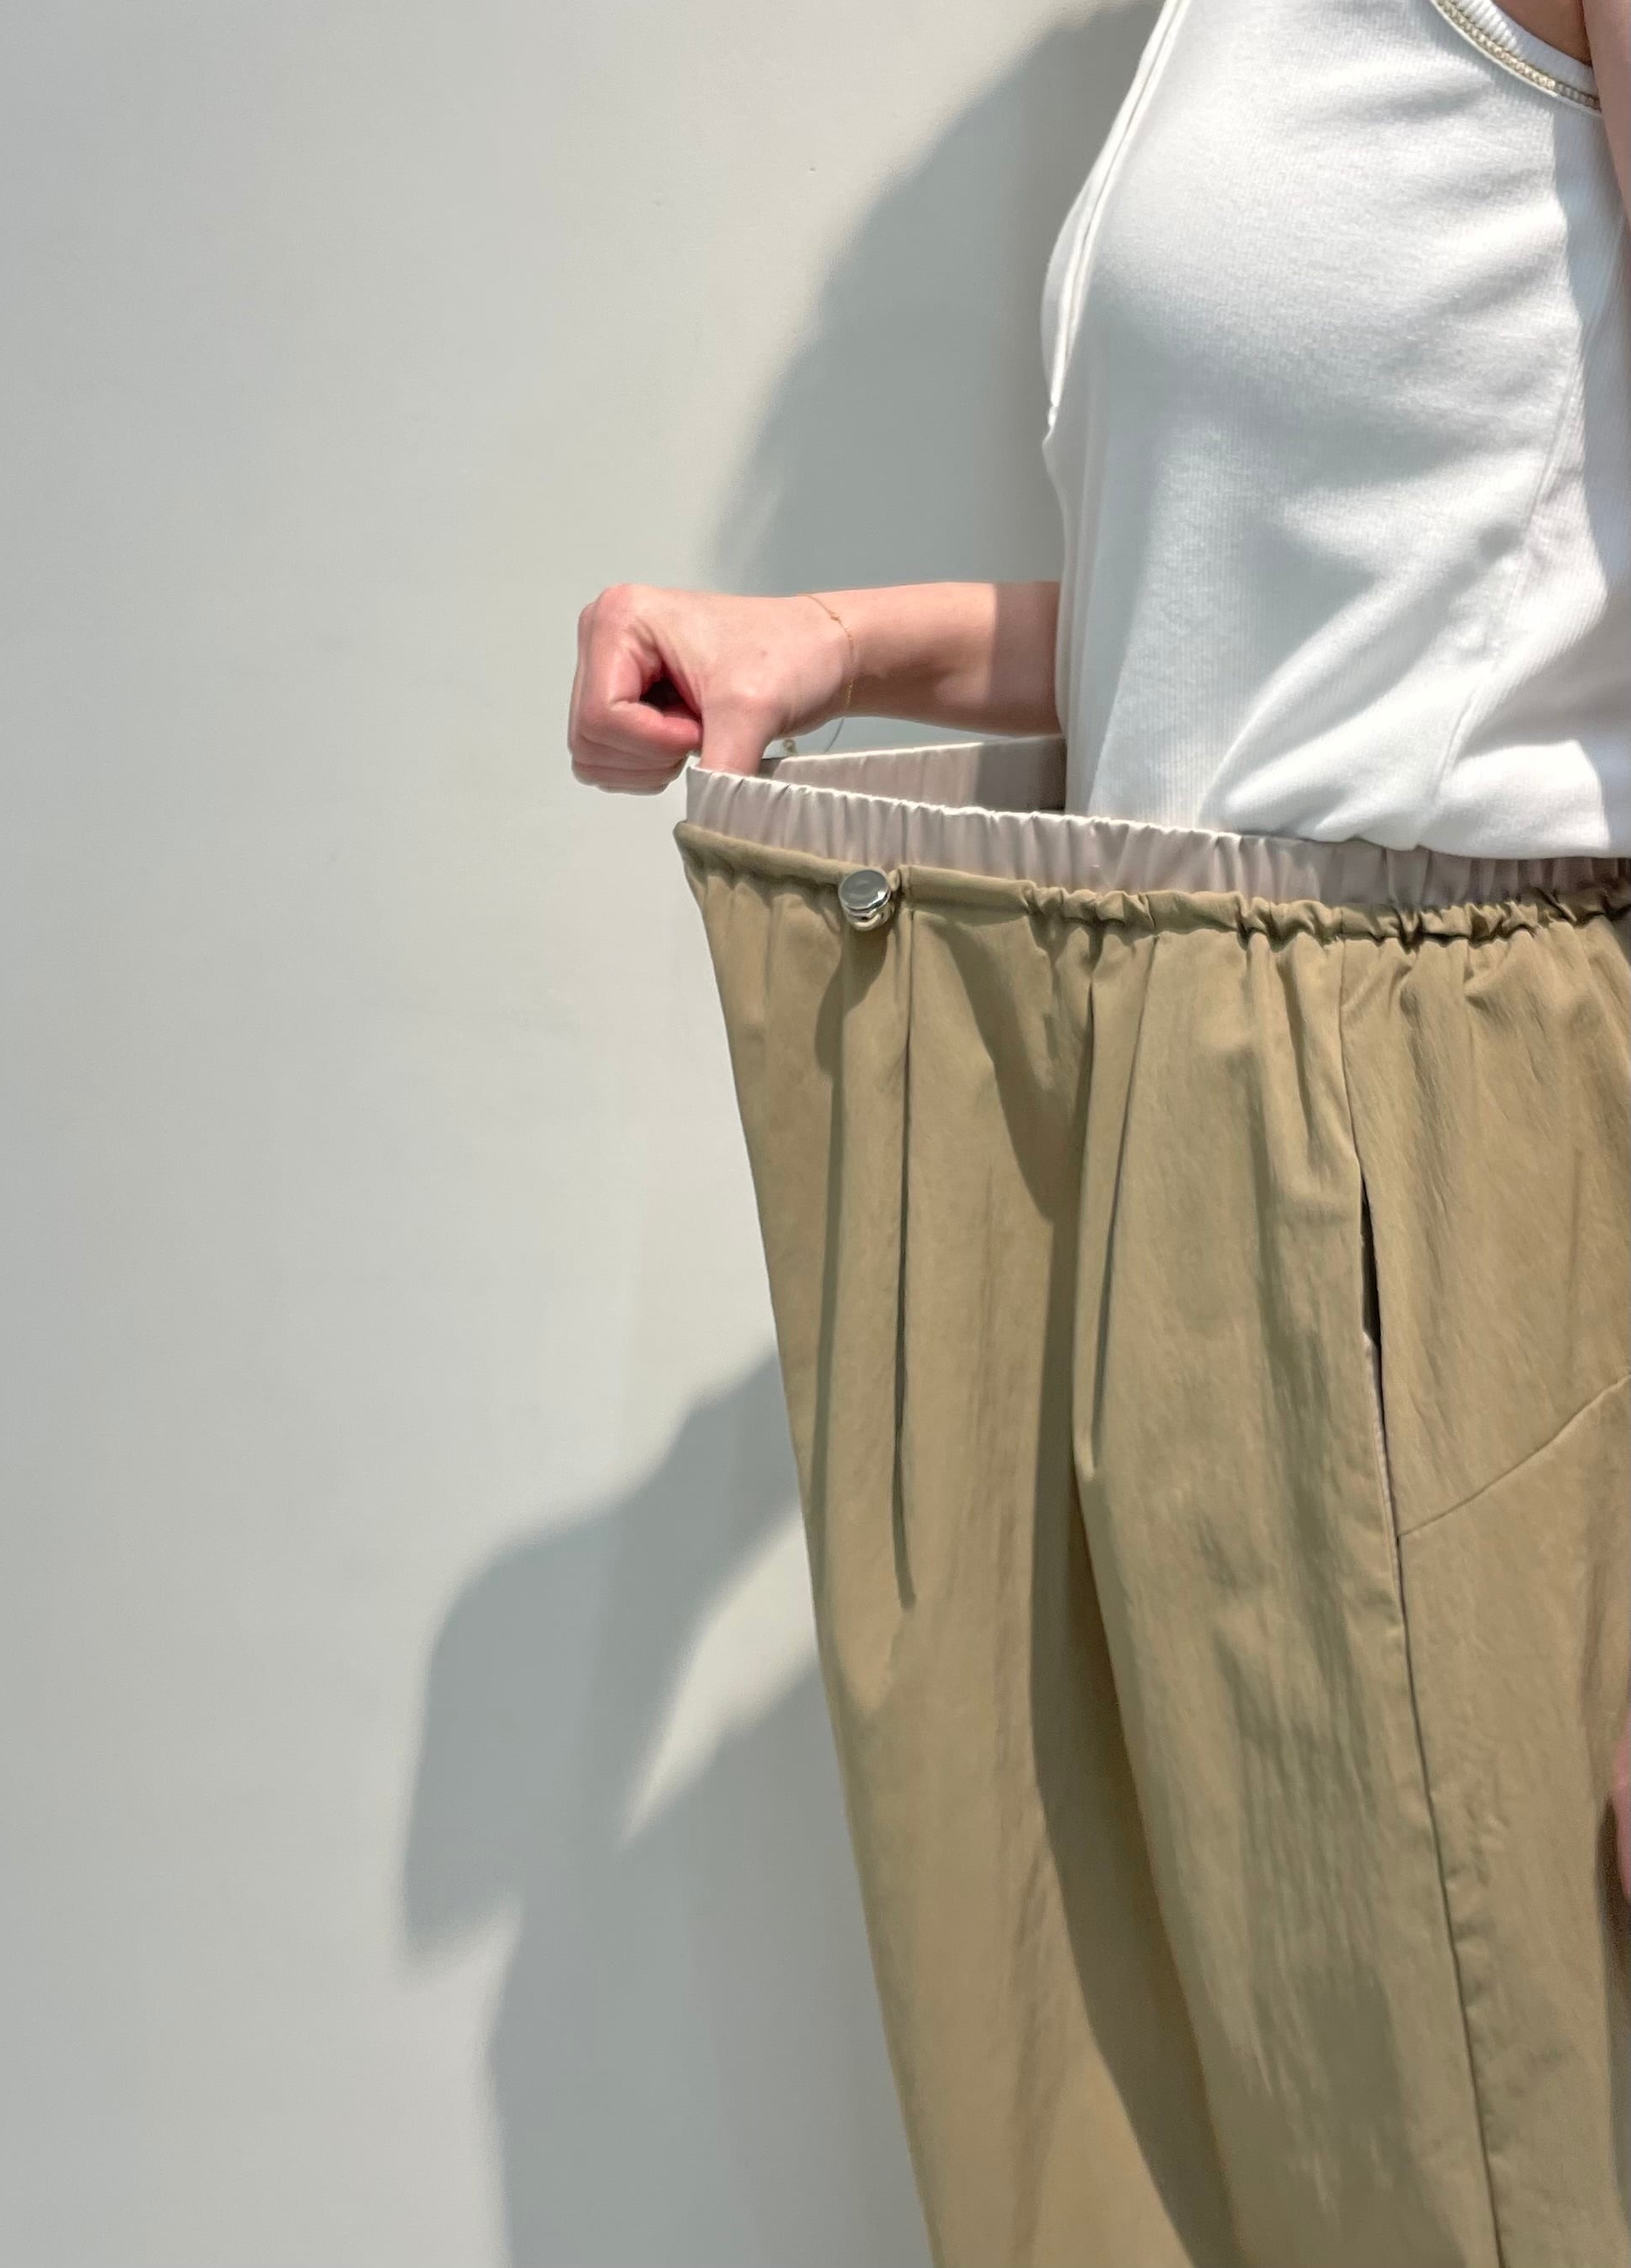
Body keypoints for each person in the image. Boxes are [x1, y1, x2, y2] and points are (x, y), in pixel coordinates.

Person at [569, 0, 1631, 2259]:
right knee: (1221, 2159)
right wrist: (825, 642)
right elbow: (1246, 624)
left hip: (1439, 1171)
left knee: (1470, 2158)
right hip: (1208, 1126)